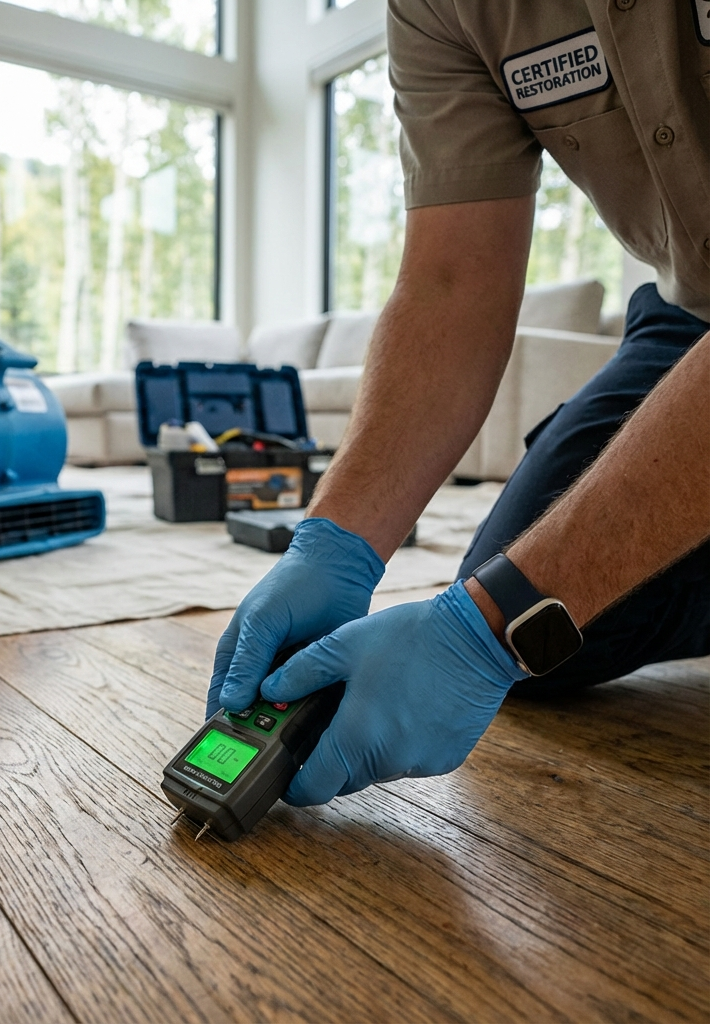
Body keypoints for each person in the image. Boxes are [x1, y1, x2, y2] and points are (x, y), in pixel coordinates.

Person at [206, 0, 709, 806]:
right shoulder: (441, 10)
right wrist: (336, 542)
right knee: (552, 635)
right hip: (689, 311)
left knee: (520, 610)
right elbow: (450, 281)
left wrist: (487, 631)